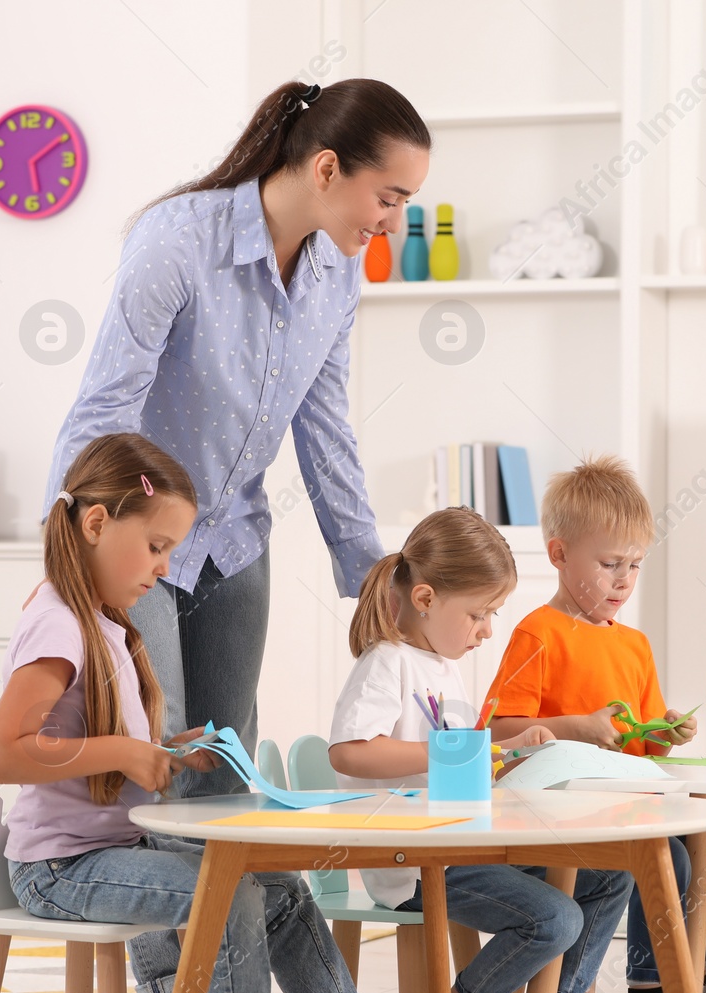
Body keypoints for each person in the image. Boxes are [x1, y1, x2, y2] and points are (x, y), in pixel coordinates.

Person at [0, 433, 427, 993]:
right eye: (157, 547)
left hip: (114, 849)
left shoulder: (103, 620)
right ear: (97, 523)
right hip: (59, 868)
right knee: (229, 895)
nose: (165, 569)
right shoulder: (57, 624)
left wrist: (161, 747)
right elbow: (2, 755)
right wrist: (120, 751)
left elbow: (86, 731)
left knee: (279, 885)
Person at [43, 78, 431, 799]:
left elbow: (325, 427)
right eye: (389, 197)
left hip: (233, 539)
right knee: (162, 752)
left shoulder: (337, 272)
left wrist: (368, 571)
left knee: (226, 766)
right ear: (325, 169)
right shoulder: (178, 242)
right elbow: (105, 407)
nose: (396, 222)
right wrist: (71, 540)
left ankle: (231, 916)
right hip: (134, 531)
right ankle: (169, 910)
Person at [487, 457, 706, 993]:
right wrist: (576, 728)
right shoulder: (538, 633)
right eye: (609, 565)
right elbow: (499, 732)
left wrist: (666, 735)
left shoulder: (634, 644)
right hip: (565, 812)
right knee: (671, 860)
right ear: (558, 554)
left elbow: (641, 745)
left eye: (634, 565)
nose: (624, 580)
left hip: (633, 799)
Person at [329, 507, 629, 993]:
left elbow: (462, 764)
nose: (487, 630)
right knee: (554, 918)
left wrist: (509, 756)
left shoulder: (443, 665)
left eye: (491, 614)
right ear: (424, 600)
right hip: (412, 859)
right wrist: (454, 754)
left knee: (611, 870)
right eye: (479, 614)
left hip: (464, 844)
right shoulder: (387, 663)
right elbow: (349, 752)